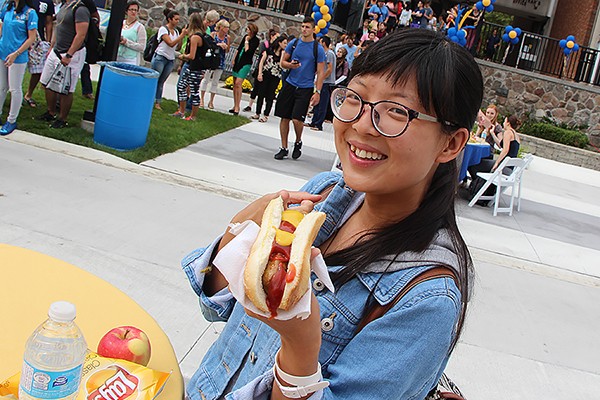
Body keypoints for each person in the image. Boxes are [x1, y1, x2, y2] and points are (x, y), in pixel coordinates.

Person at [183, 28, 481, 400]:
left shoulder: (426, 300)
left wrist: (300, 348)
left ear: (450, 144)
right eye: (356, 98)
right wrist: (242, 226)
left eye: (395, 111)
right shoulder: (320, 195)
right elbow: (216, 305)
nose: (359, 125)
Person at [273, 17, 325, 160]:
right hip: (290, 83)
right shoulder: (294, 44)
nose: (304, 29)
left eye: (307, 27)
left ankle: (298, 141)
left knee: (297, 119)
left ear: (313, 29)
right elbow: (283, 62)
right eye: (302, 26)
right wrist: (290, 65)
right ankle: (283, 147)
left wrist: (318, 92)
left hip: (306, 87)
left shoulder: (317, 49)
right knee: (284, 117)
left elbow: (321, 72)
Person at [37, 0, 90, 129]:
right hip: (56, 51)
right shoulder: (64, 6)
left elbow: (81, 34)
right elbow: (58, 27)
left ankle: (62, 118)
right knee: (46, 82)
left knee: (66, 88)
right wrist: (52, 45)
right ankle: (51, 111)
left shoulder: (80, 9)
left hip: (72, 53)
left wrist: (69, 54)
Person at [0, 0, 38, 135]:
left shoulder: (30, 13)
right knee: (1, 86)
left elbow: (31, 38)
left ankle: (11, 120)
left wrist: (16, 54)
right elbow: (2, 27)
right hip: (3, 51)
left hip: (17, 56)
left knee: (15, 88)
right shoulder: (7, 8)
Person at [172, 13, 207, 121]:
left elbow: (192, 55)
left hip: (195, 68)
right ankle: (182, 111)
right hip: (193, 67)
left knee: (194, 91)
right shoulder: (202, 35)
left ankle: (192, 116)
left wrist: (181, 56)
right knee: (182, 87)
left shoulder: (195, 37)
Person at [151, 8, 187, 110]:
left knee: (161, 81)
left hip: (170, 59)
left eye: (178, 20)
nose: (177, 21)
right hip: (160, 57)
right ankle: (152, 100)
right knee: (155, 79)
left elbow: (177, 46)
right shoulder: (163, 29)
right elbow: (170, 43)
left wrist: (181, 38)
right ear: (170, 19)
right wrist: (181, 36)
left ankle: (157, 101)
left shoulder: (175, 31)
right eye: (176, 19)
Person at [22, 0, 54, 109]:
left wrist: (48, 42)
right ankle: (13, 93)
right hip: (20, 36)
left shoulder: (47, 2)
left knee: (37, 69)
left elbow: (49, 22)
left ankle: (28, 94)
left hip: (38, 40)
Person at [468, 114, 521, 180]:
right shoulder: (516, 135)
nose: (503, 123)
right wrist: (492, 133)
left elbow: (505, 150)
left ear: (508, 123)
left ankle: (477, 185)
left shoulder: (508, 132)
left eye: (504, 121)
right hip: (509, 167)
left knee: (473, 164)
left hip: (504, 167)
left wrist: (496, 163)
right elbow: (501, 145)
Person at [252, 34, 287, 123]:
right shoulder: (268, 51)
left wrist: (283, 54)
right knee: (261, 94)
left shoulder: (283, 54)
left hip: (275, 76)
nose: (285, 45)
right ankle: (257, 113)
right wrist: (260, 73)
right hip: (266, 74)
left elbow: (282, 65)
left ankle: (266, 114)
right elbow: (262, 62)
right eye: (284, 43)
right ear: (279, 43)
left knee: (270, 96)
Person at [245, 28, 279, 112]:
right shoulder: (265, 44)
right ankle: (250, 104)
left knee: (265, 91)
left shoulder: (276, 47)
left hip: (270, 71)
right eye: (276, 37)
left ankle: (264, 109)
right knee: (256, 87)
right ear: (272, 36)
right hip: (261, 68)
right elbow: (262, 55)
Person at [229, 23, 259, 115]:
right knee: (234, 83)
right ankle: (235, 105)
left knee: (238, 83)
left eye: (248, 29)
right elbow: (239, 49)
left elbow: (248, 51)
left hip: (246, 63)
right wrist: (234, 59)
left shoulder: (255, 40)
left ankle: (238, 106)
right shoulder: (245, 36)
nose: (247, 31)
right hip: (238, 61)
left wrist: (247, 41)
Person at [199, 18, 229, 110]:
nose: (227, 29)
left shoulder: (227, 38)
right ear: (221, 27)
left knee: (215, 81)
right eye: (226, 27)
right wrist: (218, 45)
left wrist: (226, 46)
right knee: (206, 79)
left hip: (220, 60)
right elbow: (209, 45)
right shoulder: (213, 34)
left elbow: (227, 50)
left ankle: (211, 101)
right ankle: (202, 99)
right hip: (211, 59)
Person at [308, 35, 335, 131]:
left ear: (324, 43)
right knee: (317, 102)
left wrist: (321, 78)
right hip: (321, 81)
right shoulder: (323, 53)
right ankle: (313, 121)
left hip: (326, 82)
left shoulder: (329, 54)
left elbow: (329, 69)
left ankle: (319, 124)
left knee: (323, 103)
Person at [117, 0, 147, 65]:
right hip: (118, 56)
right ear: (126, 11)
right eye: (131, 9)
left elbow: (142, 47)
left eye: (136, 10)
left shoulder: (140, 27)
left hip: (130, 60)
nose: (133, 12)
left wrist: (126, 42)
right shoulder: (120, 23)